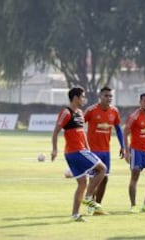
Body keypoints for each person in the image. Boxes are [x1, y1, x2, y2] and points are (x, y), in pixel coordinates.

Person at [51, 87, 107, 222]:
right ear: (75, 98)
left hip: (79, 151)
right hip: (76, 151)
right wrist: (54, 149)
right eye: (82, 96)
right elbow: (55, 131)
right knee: (103, 169)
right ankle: (88, 198)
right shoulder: (66, 112)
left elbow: (82, 133)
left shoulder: (80, 113)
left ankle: (75, 214)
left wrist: (88, 148)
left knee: (82, 183)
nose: (84, 99)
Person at [84, 86, 125, 215]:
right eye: (106, 95)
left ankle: (98, 206)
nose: (108, 98)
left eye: (110, 96)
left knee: (105, 178)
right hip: (92, 150)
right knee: (94, 179)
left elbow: (118, 129)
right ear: (100, 96)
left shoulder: (114, 111)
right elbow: (79, 125)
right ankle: (91, 205)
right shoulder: (91, 110)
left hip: (106, 151)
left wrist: (122, 146)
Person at [124, 93, 145, 213]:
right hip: (136, 151)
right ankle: (133, 206)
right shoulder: (134, 116)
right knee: (135, 178)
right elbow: (126, 132)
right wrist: (126, 151)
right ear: (140, 102)